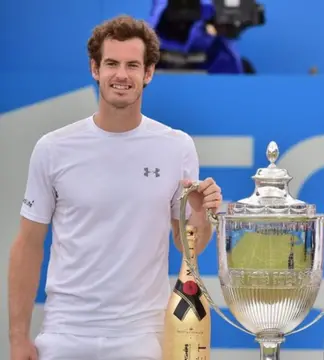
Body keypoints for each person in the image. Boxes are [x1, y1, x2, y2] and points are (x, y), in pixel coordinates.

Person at [7, 15, 222, 360]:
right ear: (95, 68)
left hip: (142, 337)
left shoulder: (177, 146)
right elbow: (28, 246)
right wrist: (18, 338)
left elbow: (187, 246)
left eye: (132, 65)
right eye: (111, 63)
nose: (121, 75)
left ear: (148, 73)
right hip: (65, 333)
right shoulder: (53, 148)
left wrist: (201, 213)